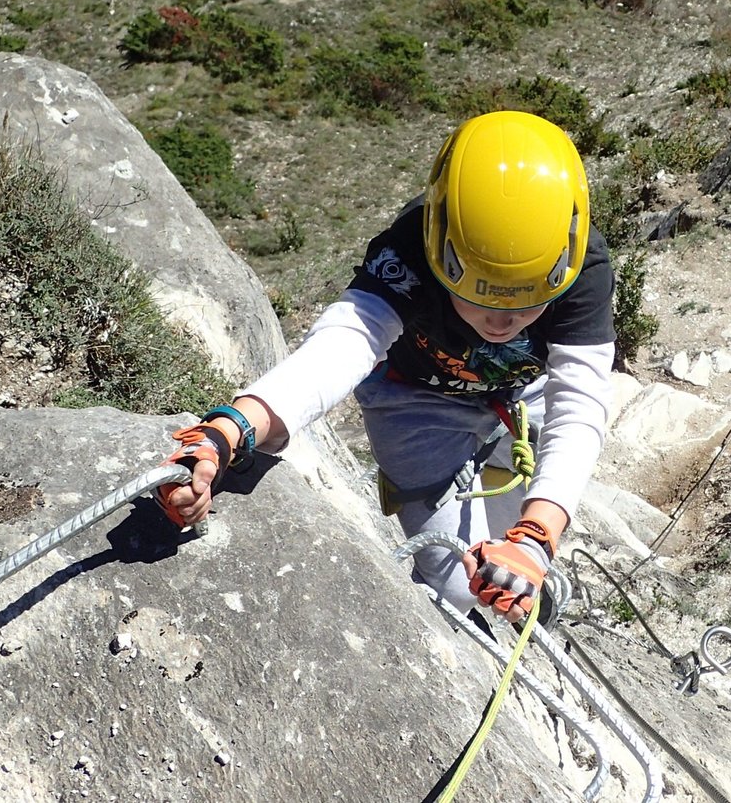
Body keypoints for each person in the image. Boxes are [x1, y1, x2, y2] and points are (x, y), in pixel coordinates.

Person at [155, 110, 616, 623]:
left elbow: (578, 403)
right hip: (417, 401)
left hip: (523, 395)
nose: (503, 323)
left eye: (527, 305)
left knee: (516, 572)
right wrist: (230, 429)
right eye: (479, 299)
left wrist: (535, 538)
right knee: (464, 590)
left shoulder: (580, 268)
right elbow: (345, 343)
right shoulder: (411, 250)